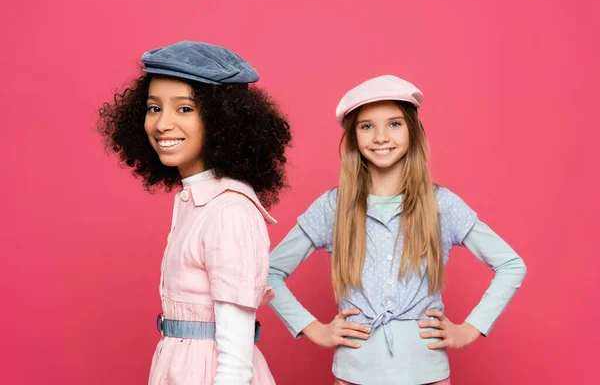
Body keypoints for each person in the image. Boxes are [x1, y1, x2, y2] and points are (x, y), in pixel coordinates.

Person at [267, 75, 527, 384]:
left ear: (413, 131)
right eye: (366, 126)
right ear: (353, 137)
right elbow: (269, 271)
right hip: (354, 374)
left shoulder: (441, 204)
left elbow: (511, 264)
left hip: (427, 374)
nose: (380, 137)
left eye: (394, 124)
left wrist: (470, 329)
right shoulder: (333, 207)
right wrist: (312, 327)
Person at [98, 40, 291, 384]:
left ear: (222, 121)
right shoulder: (197, 202)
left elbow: (235, 359)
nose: (162, 124)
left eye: (184, 109)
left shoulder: (229, 211)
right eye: (154, 108)